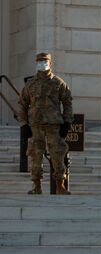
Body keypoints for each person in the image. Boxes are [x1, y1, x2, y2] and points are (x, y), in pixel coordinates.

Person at [17, 52, 73, 195]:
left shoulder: (59, 83)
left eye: (45, 61)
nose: (42, 63)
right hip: (35, 126)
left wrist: (67, 122)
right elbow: (22, 104)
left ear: (50, 63)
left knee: (58, 155)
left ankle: (60, 185)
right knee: (36, 156)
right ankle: (37, 186)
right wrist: (23, 124)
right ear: (36, 63)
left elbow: (67, 102)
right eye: (40, 61)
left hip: (54, 126)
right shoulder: (30, 84)